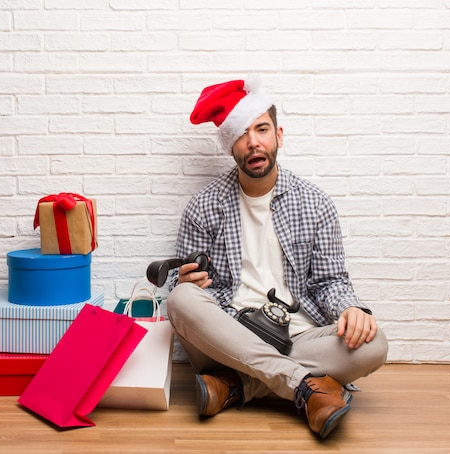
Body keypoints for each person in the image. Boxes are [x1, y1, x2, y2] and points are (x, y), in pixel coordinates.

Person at [166, 75, 389, 439]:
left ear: (278, 136)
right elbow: (181, 291)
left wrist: (352, 309)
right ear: (230, 146)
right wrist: (187, 282)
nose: (253, 142)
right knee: (180, 298)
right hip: (229, 335)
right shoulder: (203, 206)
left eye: (262, 129)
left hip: (298, 337)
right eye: (241, 134)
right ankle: (305, 388)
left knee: (375, 344)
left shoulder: (315, 203)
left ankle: (239, 385)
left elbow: (331, 281)